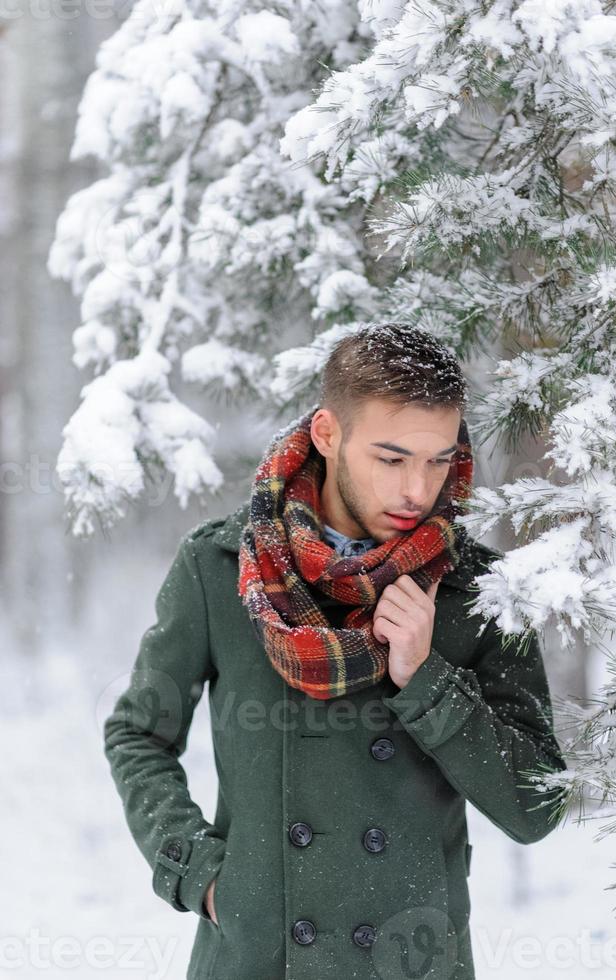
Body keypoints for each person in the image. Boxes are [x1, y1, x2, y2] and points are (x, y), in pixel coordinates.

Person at [103, 322, 567, 980]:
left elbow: (537, 807)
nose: (417, 490)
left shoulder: (478, 591)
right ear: (328, 434)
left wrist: (426, 680)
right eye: (391, 458)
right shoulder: (223, 568)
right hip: (258, 959)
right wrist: (200, 874)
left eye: (438, 460)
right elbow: (138, 733)